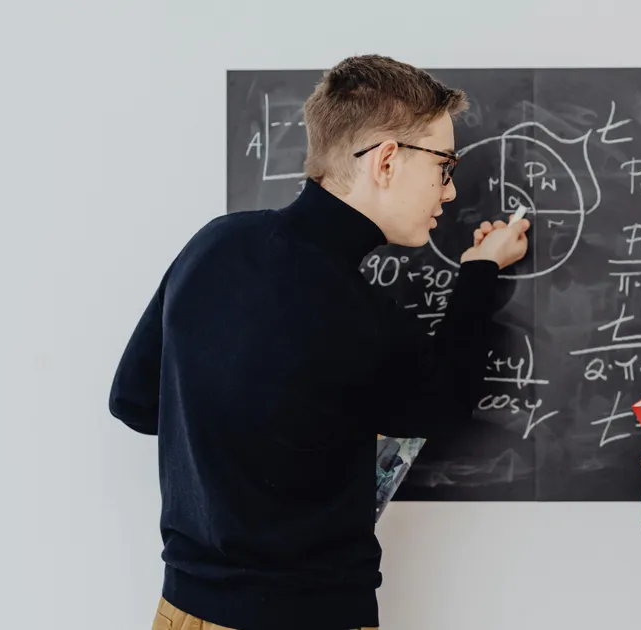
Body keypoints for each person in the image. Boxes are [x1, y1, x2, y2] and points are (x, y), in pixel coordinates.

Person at [108, 55, 530, 630]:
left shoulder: (213, 246)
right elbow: (446, 402)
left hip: (183, 610)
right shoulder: (362, 317)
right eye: (445, 166)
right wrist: (480, 269)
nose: (450, 192)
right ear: (386, 160)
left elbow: (132, 402)